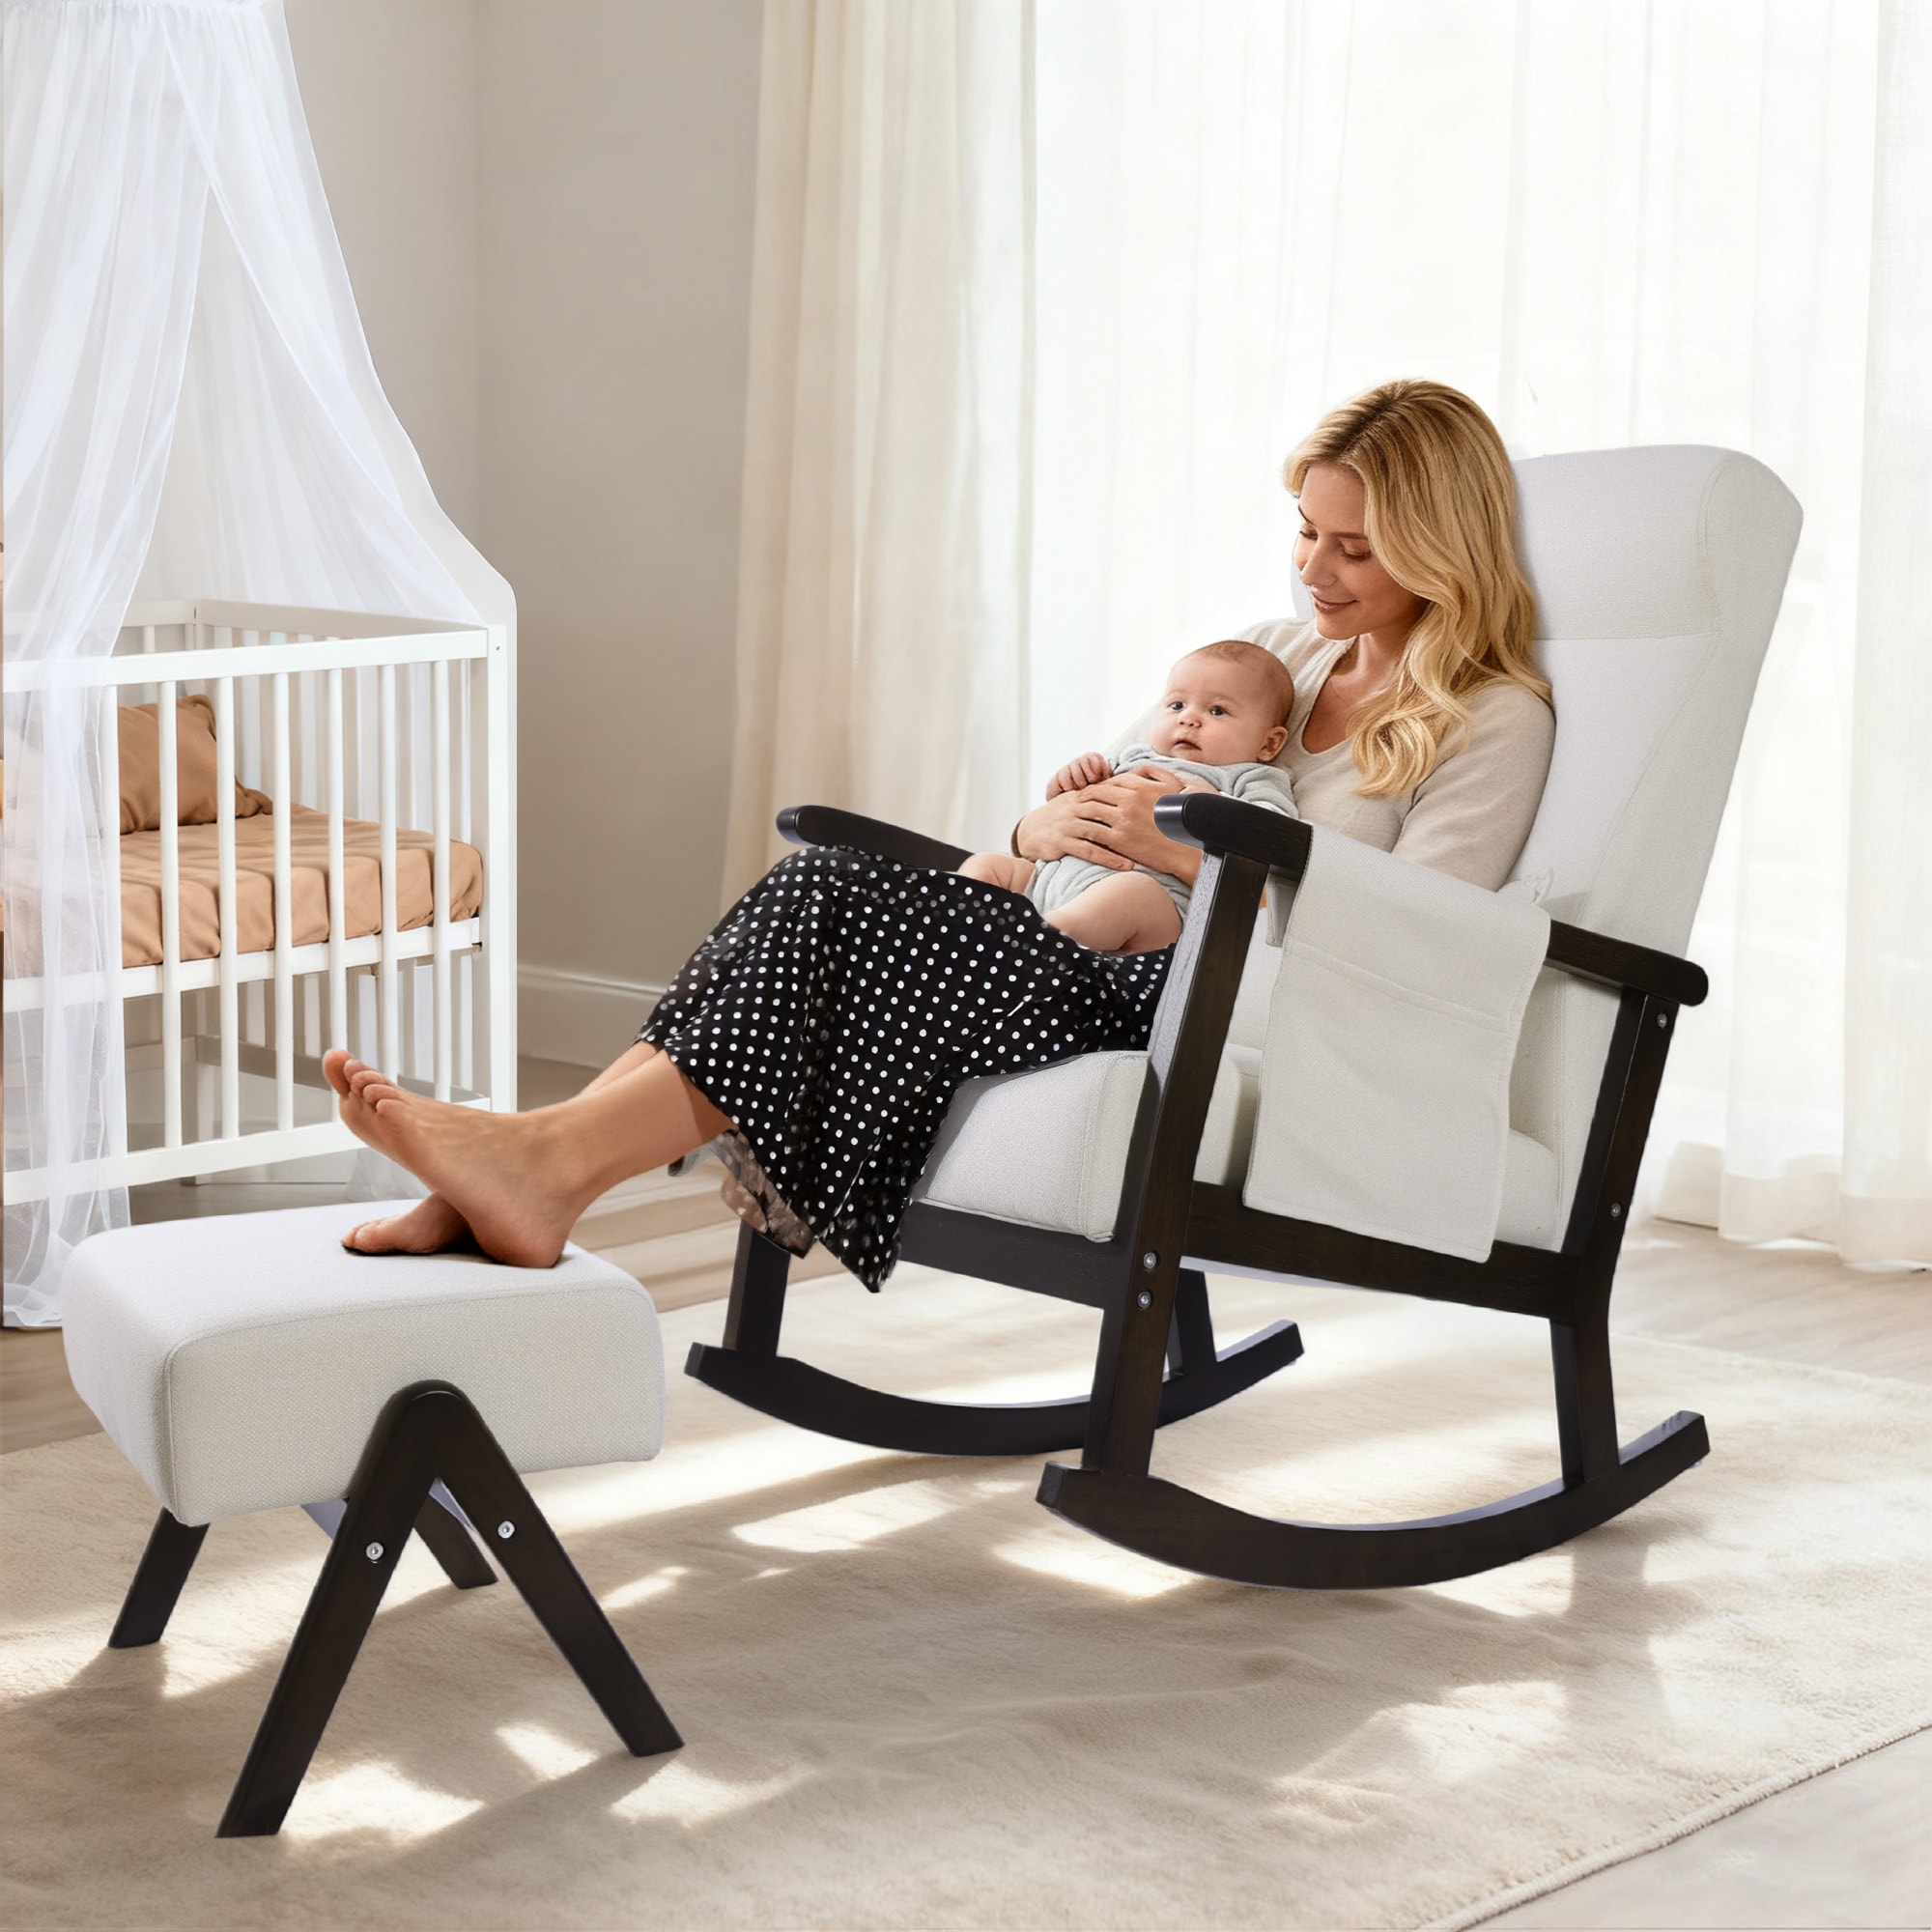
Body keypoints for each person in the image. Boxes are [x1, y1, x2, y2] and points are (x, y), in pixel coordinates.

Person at [323, 378, 1554, 1283]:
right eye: (1304, 529)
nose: (1312, 570)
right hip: (1084, 931)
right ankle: (530, 1169)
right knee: (821, 886)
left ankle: (538, 1167)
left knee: (844, 910)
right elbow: (1089, 796)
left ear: (1437, 543)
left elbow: (1427, 944)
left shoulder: (1490, 716)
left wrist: (1188, 859)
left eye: (1354, 546)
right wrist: (1036, 819)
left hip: (1204, 986)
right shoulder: (1278, 652)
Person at [957, 639, 1297, 954]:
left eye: (1218, 711)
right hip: (1046, 880)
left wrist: (1212, 805)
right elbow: (1066, 810)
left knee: (1129, 894)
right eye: (1176, 704)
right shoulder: (1134, 756)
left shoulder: (1250, 777)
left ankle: (1036, 944)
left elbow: (1273, 839)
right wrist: (1073, 779)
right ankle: (957, 927)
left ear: (1268, 744)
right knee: (988, 865)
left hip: (1153, 899)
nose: (1188, 718)